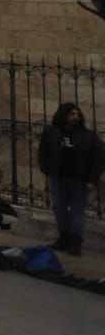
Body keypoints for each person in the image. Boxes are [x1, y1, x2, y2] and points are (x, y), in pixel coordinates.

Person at [38, 102, 104, 257]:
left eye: (77, 114)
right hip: (57, 177)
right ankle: (64, 237)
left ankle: (75, 241)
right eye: (72, 114)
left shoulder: (89, 136)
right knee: (59, 208)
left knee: (77, 211)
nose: (76, 117)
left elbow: (99, 158)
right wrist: (46, 170)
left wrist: (92, 180)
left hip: (79, 179)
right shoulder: (51, 132)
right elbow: (43, 152)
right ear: (64, 115)